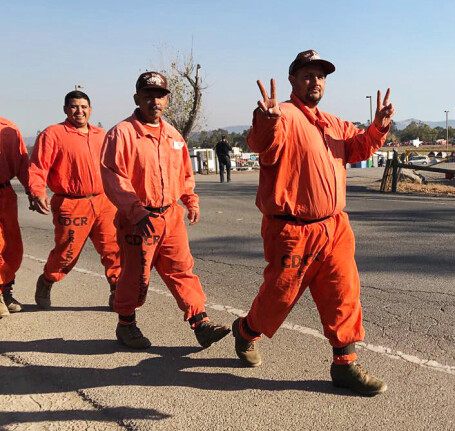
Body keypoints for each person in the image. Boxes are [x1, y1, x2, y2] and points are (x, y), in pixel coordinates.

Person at [232, 50, 394, 396]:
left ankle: (345, 365)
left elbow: (359, 147)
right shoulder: (283, 116)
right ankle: (246, 330)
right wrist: (266, 119)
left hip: (334, 227)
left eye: (321, 76)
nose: (315, 81)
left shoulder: (333, 122)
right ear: (293, 80)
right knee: (279, 298)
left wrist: (378, 127)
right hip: (292, 231)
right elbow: (261, 143)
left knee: (344, 294)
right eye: (308, 75)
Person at [100, 71, 231, 349]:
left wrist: (190, 200)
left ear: (167, 100)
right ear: (137, 98)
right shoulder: (122, 134)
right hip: (139, 219)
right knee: (136, 275)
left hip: (170, 217)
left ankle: (200, 322)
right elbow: (113, 177)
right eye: (148, 95)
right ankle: (126, 325)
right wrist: (136, 212)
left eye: (159, 96)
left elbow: (184, 172)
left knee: (182, 270)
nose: (154, 101)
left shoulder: (173, 135)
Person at [29, 90, 120, 310]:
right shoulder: (53, 134)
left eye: (83, 107)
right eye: (74, 106)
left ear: (90, 110)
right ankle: (47, 280)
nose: (79, 111)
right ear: (65, 109)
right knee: (66, 254)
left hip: (103, 202)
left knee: (114, 249)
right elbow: (38, 167)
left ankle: (118, 293)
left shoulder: (102, 135)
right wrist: (37, 191)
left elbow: (117, 166)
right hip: (70, 204)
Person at [0, 117, 30, 318]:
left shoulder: (9, 128)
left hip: (5, 193)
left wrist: (32, 190)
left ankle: (6, 290)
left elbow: (22, 163)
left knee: (13, 248)